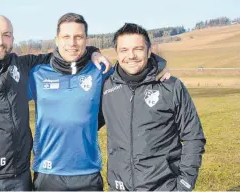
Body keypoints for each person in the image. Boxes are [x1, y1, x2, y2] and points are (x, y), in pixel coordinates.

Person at [0, 15, 107, 191]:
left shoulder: (22, 66)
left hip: (19, 176)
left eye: (6, 35)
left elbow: (64, 54)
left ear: (12, 39)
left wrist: (92, 51)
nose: (0, 41)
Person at [28, 13, 168, 191]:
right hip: (47, 173)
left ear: (86, 39)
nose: (72, 43)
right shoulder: (37, 74)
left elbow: (132, 69)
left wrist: (159, 64)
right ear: (57, 39)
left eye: (78, 37)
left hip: (88, 173)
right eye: (66, 37)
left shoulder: (100, 71)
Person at [101, 23, 206, 191]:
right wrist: (92, 52)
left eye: (138, 49)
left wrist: (185, 184)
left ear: (149, 51)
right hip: (120, 187)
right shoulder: (106, 88)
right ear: (117, 53)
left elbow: (194, 137)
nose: (131, 55)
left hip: (164, 187)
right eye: (124, 50)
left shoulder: (171, 86)